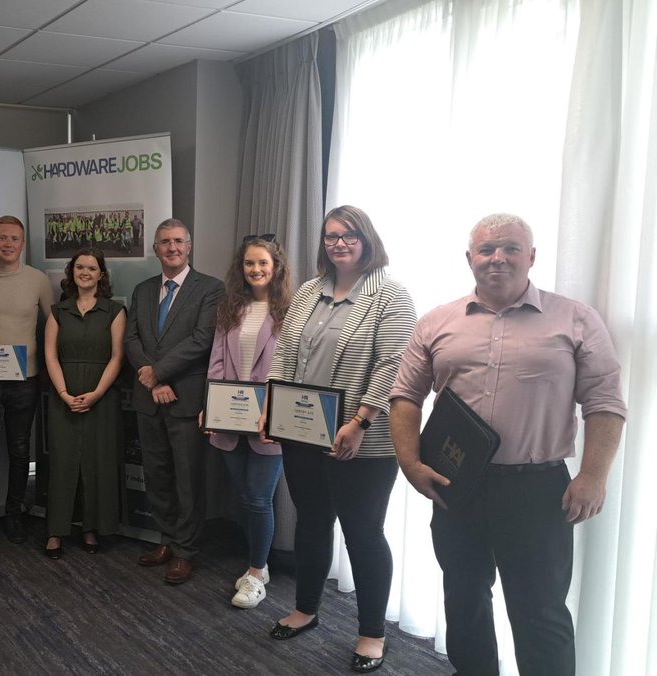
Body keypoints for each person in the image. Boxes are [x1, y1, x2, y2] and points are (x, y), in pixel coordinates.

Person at [389, 213, 626, 676]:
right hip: (456, 486)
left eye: (511, 248)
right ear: (470, 259)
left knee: (540, 611)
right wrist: (410, 462)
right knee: (464, 598)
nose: (498, 258)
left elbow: (605, 402)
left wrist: (594, 475)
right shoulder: (438, 321)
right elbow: (404, 396)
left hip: (537, 490)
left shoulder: (575, 319)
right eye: (487, 249)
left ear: (531, 257)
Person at [264, 205, 415, 673]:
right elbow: (286, 351)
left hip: (362, 441)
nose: (339, 243)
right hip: (302, 433)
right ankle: (306, 609)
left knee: (363, 533)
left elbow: (393, 367)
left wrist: (361, 421)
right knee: (311, 522)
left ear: (366, 240)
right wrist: (272, 404)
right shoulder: (309, 290)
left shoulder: (391, 295)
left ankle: (371, 632)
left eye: (349, 235)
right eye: (331, 236)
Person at [124, 218, 224, 585]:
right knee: (157, 475)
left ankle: (186, 551)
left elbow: (202, 340)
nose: (172, 248)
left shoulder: (211, 289)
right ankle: (167, 540)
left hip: (185, 399)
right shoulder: (143, 289)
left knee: (188, 479)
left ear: (189, 246)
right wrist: (152, 379)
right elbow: (131, 339)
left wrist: (159, 373)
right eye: (165, 242)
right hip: (149, 397)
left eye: (178, 241)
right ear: (155, 248)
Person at [203, 235, 291, 609]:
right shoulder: (229, 308)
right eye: (249, 264)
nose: (255, 270)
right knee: (245, 496)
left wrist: (273, 408)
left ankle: (256, 572)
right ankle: (260, 563)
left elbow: (291, 369)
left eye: (263, 264)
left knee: (258, 498)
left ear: (276, 268)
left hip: (270, 420)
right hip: (229, 416)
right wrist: (210, 405)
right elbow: (217, 361)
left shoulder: (291, 311)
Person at [0, 215, 54, 553]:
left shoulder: (38, 280)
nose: (7, 244)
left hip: (25, 380)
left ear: (22, 243)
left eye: (14, 238)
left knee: (20, 452)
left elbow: (53, 326)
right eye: (1, 238)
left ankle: (14, 513)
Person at [43, 248, 126, 559]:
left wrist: (96, 394)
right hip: (62, 395)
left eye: (92, 268)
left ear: (101, 274)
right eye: (80, 267)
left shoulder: (115, 312)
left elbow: (118, 356)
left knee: (97, 463)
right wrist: (64, 394)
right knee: (63, 463)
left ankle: (91, 528)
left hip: (100, 396)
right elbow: (50, 354)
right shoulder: (57, 312)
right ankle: (55, 531)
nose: (85, 272)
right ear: (72, 272)